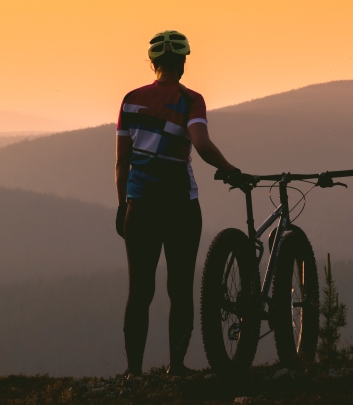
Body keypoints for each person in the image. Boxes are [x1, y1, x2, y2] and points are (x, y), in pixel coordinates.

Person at [114, 30, 240, 378]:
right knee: (180, 288)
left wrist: (123, 205)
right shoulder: (191, 100)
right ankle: (177, 367)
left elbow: (122, 163)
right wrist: (231, 170)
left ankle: (134, 372)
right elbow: (202, 145)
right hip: (180, 206)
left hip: (139, 206)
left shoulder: (131, 100)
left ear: (152, 63)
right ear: (182, 63)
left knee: (139, 291)